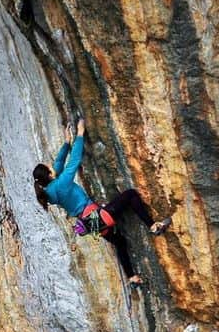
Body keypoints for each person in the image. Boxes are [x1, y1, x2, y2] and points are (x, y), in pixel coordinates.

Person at [32, 119, 170, 286]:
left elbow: (58, 165)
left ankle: (132, 277)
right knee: (131, 195)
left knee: (119, 241)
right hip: (97, 216)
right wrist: (80, 134)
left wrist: (67, 143)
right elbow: (73, 161)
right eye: (50, 168)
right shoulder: (61, 183)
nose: (53, 166)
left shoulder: (49, 192)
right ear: (50, 175)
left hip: (92, 225)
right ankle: (153, 226)